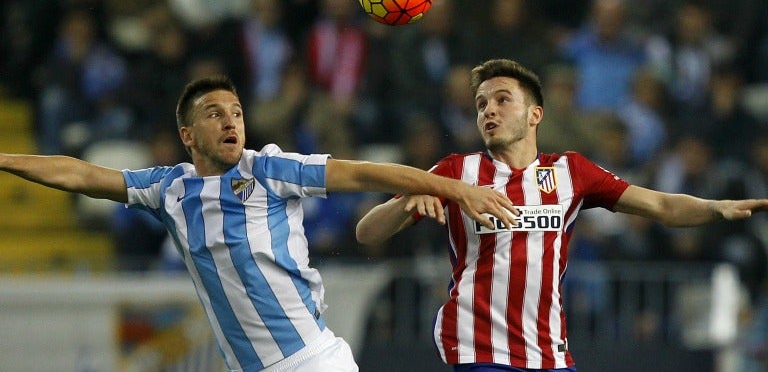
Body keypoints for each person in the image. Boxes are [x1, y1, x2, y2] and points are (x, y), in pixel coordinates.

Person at [0, 74, 516, 372]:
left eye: (237, 111)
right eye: (214, 113)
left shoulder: (267, 168)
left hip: (314, 363)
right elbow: (80, 173)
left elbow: (360, 172)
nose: (231, 121)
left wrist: (453, 188)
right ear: (188, 134)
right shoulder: (169, 188)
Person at [355, 58, 768, 372]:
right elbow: (366, 233)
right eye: (481, 104)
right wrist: (404, 203)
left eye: (502, 100)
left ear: (535, 114)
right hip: (477, 346)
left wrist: (714, 208)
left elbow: (660, 206)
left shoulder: (570, 172)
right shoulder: (454, 172)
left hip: (549, 351)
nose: (488, 111)